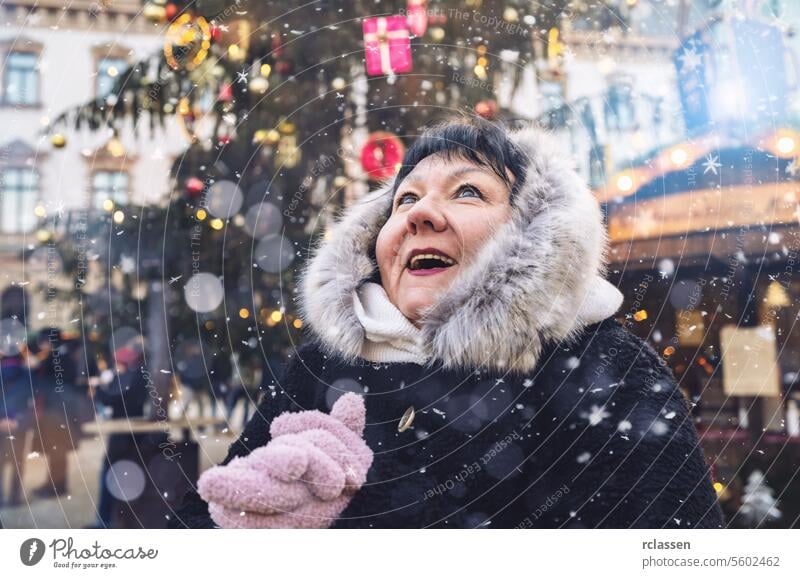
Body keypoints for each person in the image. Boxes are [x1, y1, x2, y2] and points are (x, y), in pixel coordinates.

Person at [170, 118, 724, 529]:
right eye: (404, 198)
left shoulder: (607, 369)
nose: (419, 214)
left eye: (467, 191)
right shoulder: (320, 369)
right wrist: (261, 525)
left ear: (533, 236)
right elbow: (199, 529)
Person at [0, 350, 31, 507]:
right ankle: (14, 498)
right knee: (17, 463)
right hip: (19, 425)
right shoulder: (28, 375)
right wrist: (19, 421)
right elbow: (35, 403)